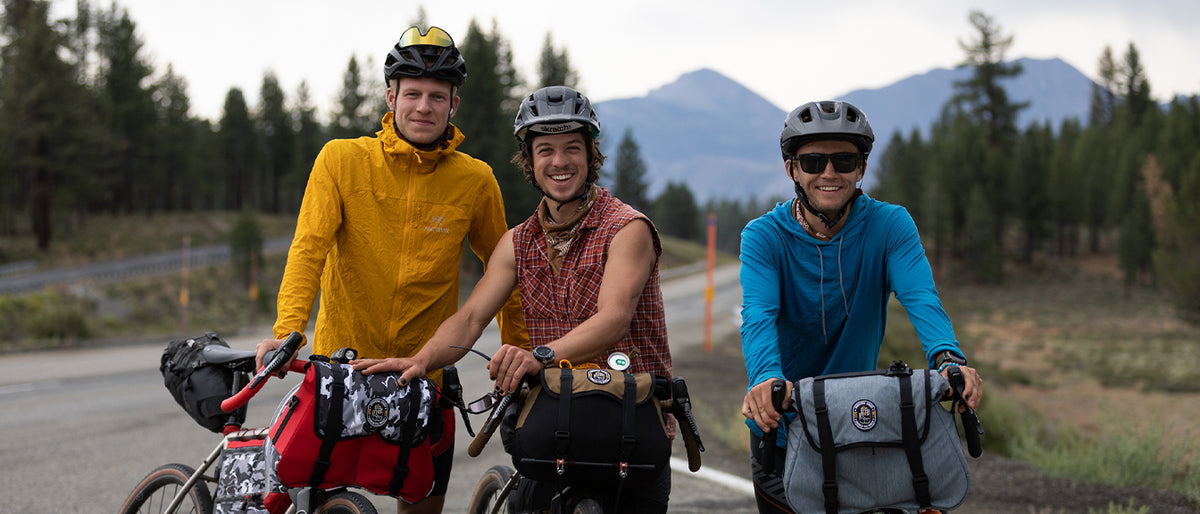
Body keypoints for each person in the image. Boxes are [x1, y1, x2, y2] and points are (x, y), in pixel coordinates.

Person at [352, 85, 674, 513]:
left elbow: (613, 319)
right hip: (554, 420)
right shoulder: (518, 242)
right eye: (545, 150)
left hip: (629, 422)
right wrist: (420, 361)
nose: (559, 162)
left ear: (591, 155)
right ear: (530, 160)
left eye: (572, 149)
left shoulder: (627, 228)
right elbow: (470, 320)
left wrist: (537, 355)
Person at [255, 25, 528, 514]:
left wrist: (519, 354)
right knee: (318, 502)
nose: (424, 106)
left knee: (422, 503)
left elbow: (503, 276)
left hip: (426, 378)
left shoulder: (476, 180)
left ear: (453, 106)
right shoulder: (341, 160)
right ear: (391, 96)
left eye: (437, 96)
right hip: (340, 371)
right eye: (413, 94)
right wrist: (287, 331)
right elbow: (308, 250)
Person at [738, 100, 984, 513]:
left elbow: (921, 297)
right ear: (792, 170)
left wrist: (948, 357)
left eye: (844, 160)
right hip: (784, 424)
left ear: (861, 168)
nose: (829, 173)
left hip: (864, 425)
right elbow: (758, 317)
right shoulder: (763, 237)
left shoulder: (890, 225)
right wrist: (766, 377)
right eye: (813, 161)